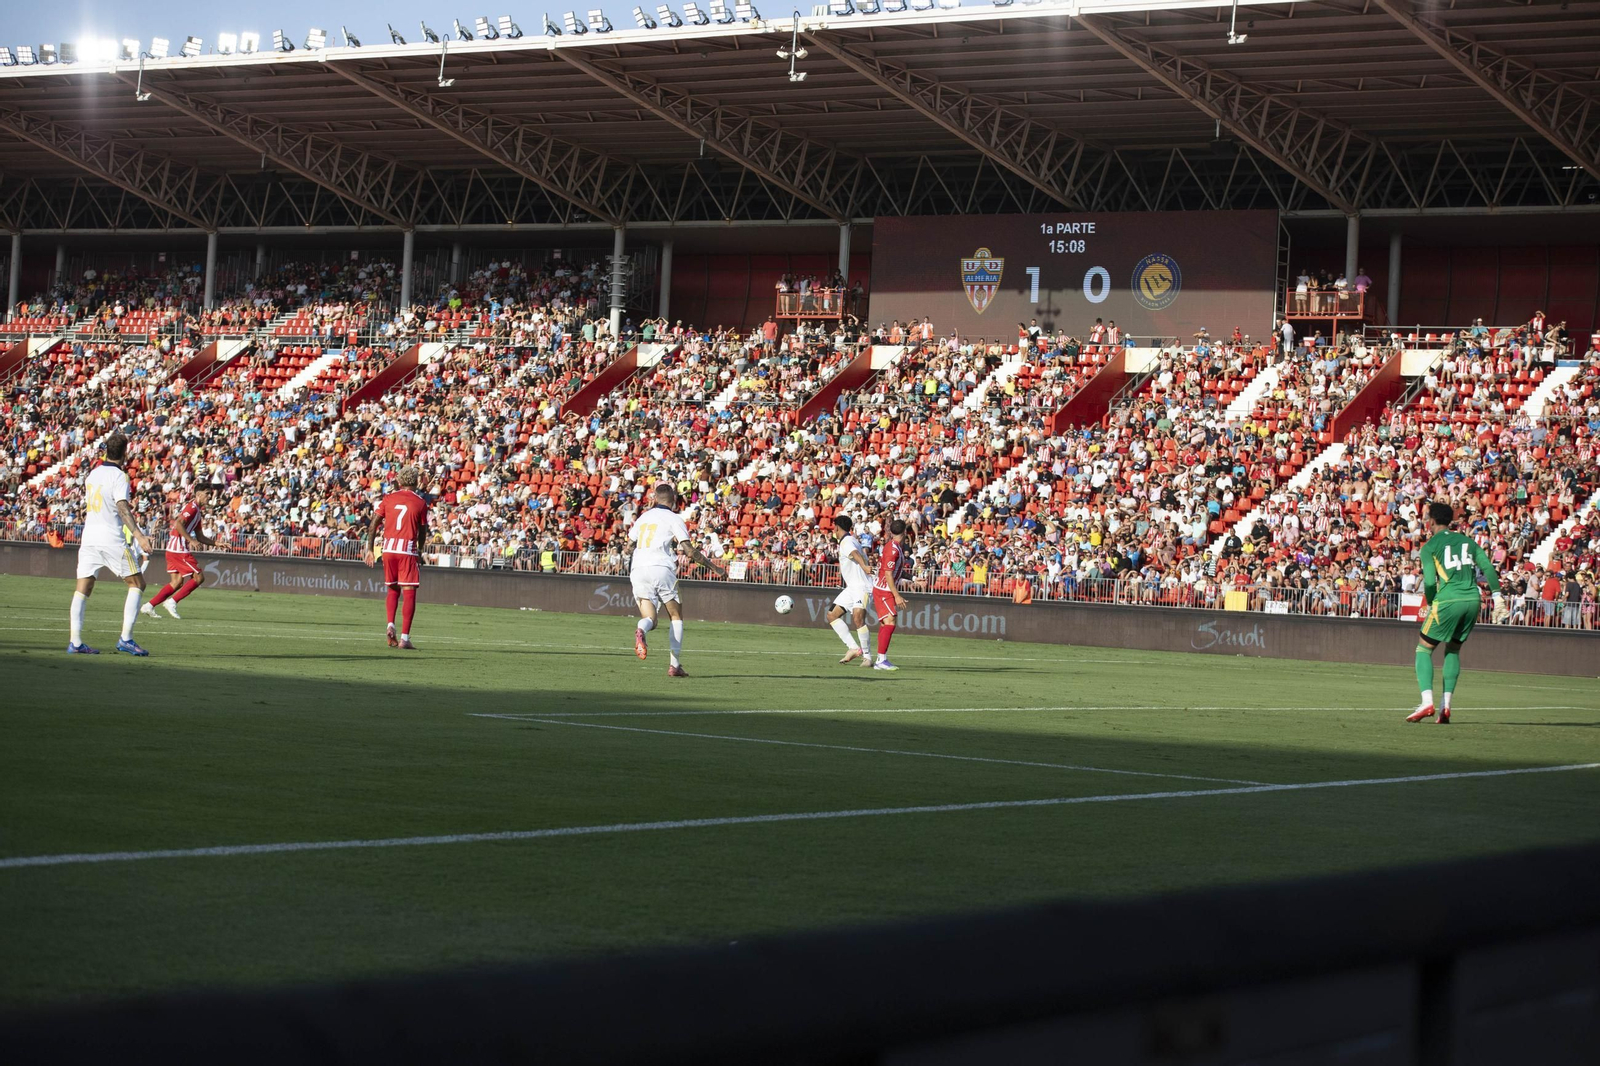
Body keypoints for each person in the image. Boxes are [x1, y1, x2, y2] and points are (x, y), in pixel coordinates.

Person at [1407, 501, 1504, 724]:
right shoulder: (1468, 541)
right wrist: (1497, 595)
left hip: (1449, 599)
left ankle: (1427, 702)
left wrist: (1431, 602)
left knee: (1423, 649)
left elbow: (1430, 583)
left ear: (1431, 521)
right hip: (1472, 600)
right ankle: (1446, 706)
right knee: (1453, 649)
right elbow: (1487, 567)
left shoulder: (1429, 546)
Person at [68, 432, 155, 656]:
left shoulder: (93, 474)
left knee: (83, 589)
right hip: (111, 538)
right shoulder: (119, 476)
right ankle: (126, 639)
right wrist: (139, 535)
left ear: (106, 450)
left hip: (89, 538)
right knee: (137, 584)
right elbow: (122, 507)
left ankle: (75, 642)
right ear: (125, 453)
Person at [628, 483, 726, 677]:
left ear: (654, 498)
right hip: (661, 567)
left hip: (638, 568)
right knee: (675, 616)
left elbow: (630, 543)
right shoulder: (674, 518)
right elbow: (689, 551)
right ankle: (674, 665)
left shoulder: (643, 517)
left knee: (650, 619)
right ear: (673, 500)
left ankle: (641, 629)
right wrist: (714, 568)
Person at [364, 467, 429, 650]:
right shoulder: (420, 502)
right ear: (415, 483)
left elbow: (373, 524)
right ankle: (404, 639)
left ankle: (390, 624)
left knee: (392, 590)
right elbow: (422, 531)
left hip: (388, 549)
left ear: (399, 482)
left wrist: (370, 549)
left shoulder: (388, 498)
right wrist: (420, 549)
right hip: (406, 550)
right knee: (409, 592)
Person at [142, 481, 218, 621]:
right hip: (179, 549)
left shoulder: (197, 511)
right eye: (207, 494)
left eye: (210, 494)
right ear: (199, 494)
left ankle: (149, 605)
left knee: (177, 582)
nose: (209, 497)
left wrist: (217, 543)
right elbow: (177, 524)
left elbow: (200, 536)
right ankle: (172, 602)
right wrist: (191, 540)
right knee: (199, 577)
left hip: (173, 548)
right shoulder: (192, 508)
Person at [824, 514, 874, 666]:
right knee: (832, 615)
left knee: (858, 618)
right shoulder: (850, 540)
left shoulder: (847, 541)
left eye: (834, 526)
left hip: (862, 587)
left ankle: (868, 657)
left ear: (837, 527)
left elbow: (854, 554)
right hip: (852, 588)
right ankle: (853, 648)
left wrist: (864, 566)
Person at [871, 518, 910, 672]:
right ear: (905, 532)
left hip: (883, 588)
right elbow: (888, 574)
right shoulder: (893, 549)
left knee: (886, 622)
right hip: (884, 590)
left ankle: (880, 658)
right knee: (890, 622)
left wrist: (912, 578)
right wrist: (897, 596)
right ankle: (881, 660)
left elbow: (894, 571)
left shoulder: (894, 546)